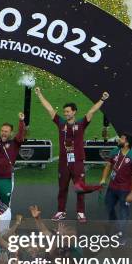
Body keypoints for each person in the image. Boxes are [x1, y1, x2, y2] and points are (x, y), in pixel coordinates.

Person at [34, 87, 109, 222]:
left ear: (74, 112)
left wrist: (102, 99)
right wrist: (39, 94)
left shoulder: (81, 124)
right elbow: (50, 109)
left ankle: (80, 212)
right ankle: (61, 211)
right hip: (63, 162)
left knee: (80, 188)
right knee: (62, 188)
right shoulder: (61, 123)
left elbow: (92, 110)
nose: (66, 113)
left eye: (68, 111)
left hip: (78, 162)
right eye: (65, 112)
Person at [100, 132, 132, 245]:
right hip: (112, 187)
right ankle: (116, 227)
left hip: (125, 190)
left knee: (124, 213)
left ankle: (122, 236)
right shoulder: (115, 151)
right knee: (109, 207)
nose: (119, 139)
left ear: (127, 143)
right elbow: (108, 165)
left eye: (122, 138)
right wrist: (103, 179)